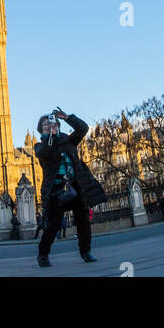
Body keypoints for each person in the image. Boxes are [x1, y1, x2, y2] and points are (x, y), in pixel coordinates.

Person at [34, 108, 107, 268]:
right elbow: (45, 152)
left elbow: (83, 128)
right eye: (45, 125)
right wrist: (51, 136)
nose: (49, 126)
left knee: (82, 220)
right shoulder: (40, 146)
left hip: (75, 185)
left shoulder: (69, 140)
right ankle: (43, 254)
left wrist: (67, 117)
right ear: (41, 129)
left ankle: (86, 251)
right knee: (54, 224)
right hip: (56, 188)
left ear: (58, 125)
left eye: (51, 123)